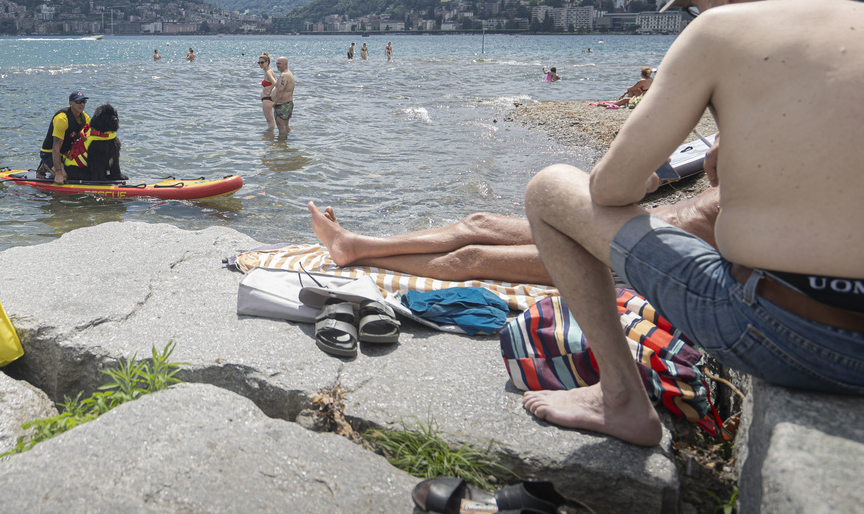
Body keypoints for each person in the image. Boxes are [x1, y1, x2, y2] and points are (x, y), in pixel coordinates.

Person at [523, 0, 864, 447]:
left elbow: (609, 190)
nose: (693, 16)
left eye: (693, 6)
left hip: (789, 336)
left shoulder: (721, 29)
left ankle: (618, 398)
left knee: (549, 188)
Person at [307, 188, 719, 286]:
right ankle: (355, 243)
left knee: (472, 258)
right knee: (480, 222)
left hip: (641, 260)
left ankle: (357, 251)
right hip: (633, 225)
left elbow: (616, 185)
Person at [62, 103, 126, 182]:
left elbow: (114, 159)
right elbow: (96, 163)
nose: (114, 118)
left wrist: (117, 174)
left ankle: (115, 174)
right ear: (100, 120)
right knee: (96, 164)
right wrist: (100, 178)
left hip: (90, 168)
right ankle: (99, 178)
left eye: (114, 115)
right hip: (77, 168)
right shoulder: (94, 140)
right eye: (108, 116)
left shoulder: (111, 138)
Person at [36, 90, 89, 183]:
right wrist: (59, 173)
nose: (82, 104)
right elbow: (55, 148)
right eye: (78, 101)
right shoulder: (62, 119)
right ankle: (45, 165)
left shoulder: (85, 118)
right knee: (64, 176)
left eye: (84, 101)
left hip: (67, 152)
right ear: (71, 103)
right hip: (50, 152)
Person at [272, 57, 295, 135]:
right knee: (285, 125)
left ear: (286, 64)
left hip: (282, 104)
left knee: (281, 126)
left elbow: (280, 89)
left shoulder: (284, 75)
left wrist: (275, 102)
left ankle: (282, 143)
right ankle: (286, 144)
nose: (277, 65)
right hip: (287, 103)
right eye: (277, 63)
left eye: (279, 64)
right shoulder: (288, 73)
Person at [257, 52, 276, 128]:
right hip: (268, 99)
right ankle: (272, 137)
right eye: (259, 63)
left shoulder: (268, 72)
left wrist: (270, 92)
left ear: (267, 62)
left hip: (267, 99)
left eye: (262, 62)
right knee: (271, 121)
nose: (260, 64)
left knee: (270, 122)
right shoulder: (269, 71)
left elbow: (275, 83)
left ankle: (270, 137)